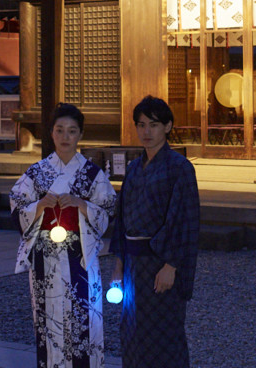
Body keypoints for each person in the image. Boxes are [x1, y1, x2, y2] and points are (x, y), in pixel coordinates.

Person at [10, 103, 116, 367]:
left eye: (72, 131)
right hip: (46, 260)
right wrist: (39, 206)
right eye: (60, 130)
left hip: (80, 257)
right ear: (52, 133)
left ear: (80, 134)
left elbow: (108, 209)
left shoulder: (92, 174)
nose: (65, 137)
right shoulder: (37, 173)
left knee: (84, 321)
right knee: (49, 322)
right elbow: (17, 204)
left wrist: (81, 204)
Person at [110, 95, 200, 368]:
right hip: (132, 264)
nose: (146, 132)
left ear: (168, 126)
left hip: (159, 261)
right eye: (141, 125)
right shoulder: (135, 168)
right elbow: (122, 218)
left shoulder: (180, 168)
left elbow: (185, 219)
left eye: (153, 125)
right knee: (132, 330)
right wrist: (118, 265)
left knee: (164, 333)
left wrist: (172, 265)